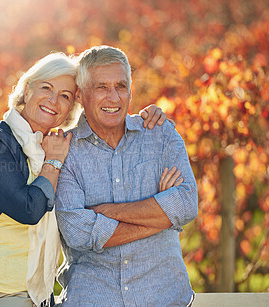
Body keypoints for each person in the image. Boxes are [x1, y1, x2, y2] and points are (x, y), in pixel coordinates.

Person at [0, 51, 167, 307]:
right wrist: (52, 163)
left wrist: (148, 120)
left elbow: (107, 161)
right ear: (27, 90)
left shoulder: (65, 148)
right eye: (46, 87)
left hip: (21, 292)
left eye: (66, 96)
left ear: (71, 108)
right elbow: (28, 208)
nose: (54, 100)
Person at [55, 45, 198, 307]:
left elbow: (187, 204)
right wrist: (161, 216)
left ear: (131, 92)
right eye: (101, 87)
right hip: (93, 299)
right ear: (80, 95)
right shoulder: (65, 151)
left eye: (121, 86)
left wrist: (106, 211)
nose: (113, 97)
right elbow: (79, 233)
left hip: (165, 297)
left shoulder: (160, 134)